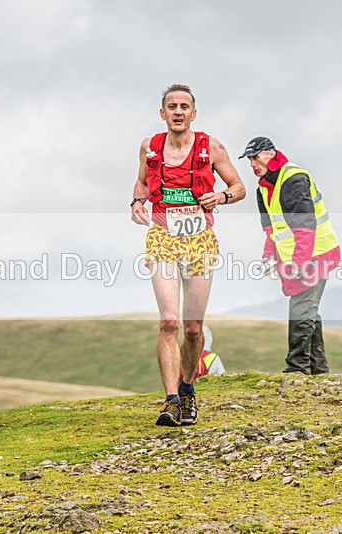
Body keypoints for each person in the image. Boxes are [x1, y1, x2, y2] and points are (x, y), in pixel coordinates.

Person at [131, 84, 244, 426]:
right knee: (168, 322)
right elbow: (140, 183)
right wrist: (137, 202)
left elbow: (239, 186)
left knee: (193, 329)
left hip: (199, 243)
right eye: (171, 106)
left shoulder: (212, 147)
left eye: (184, 106)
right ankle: (170, 402)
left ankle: (187, 389)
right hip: (163, 239)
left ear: (193, 114)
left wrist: (221, 198)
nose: (178, 111)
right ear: (162, 113)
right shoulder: (149, 148)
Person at [241, 136, 340, 375]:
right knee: (308, 309)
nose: (253, 164)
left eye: (256, 157)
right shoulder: (263, 189)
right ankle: (318, 368)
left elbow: (305, 227)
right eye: (250, 160)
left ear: (271, 153)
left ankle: (297, 368)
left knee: (300, 308)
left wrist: (299, 263)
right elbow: (271, 229)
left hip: (315, 253)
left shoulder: (294, 179)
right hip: (296, 257)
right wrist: (268, 256)